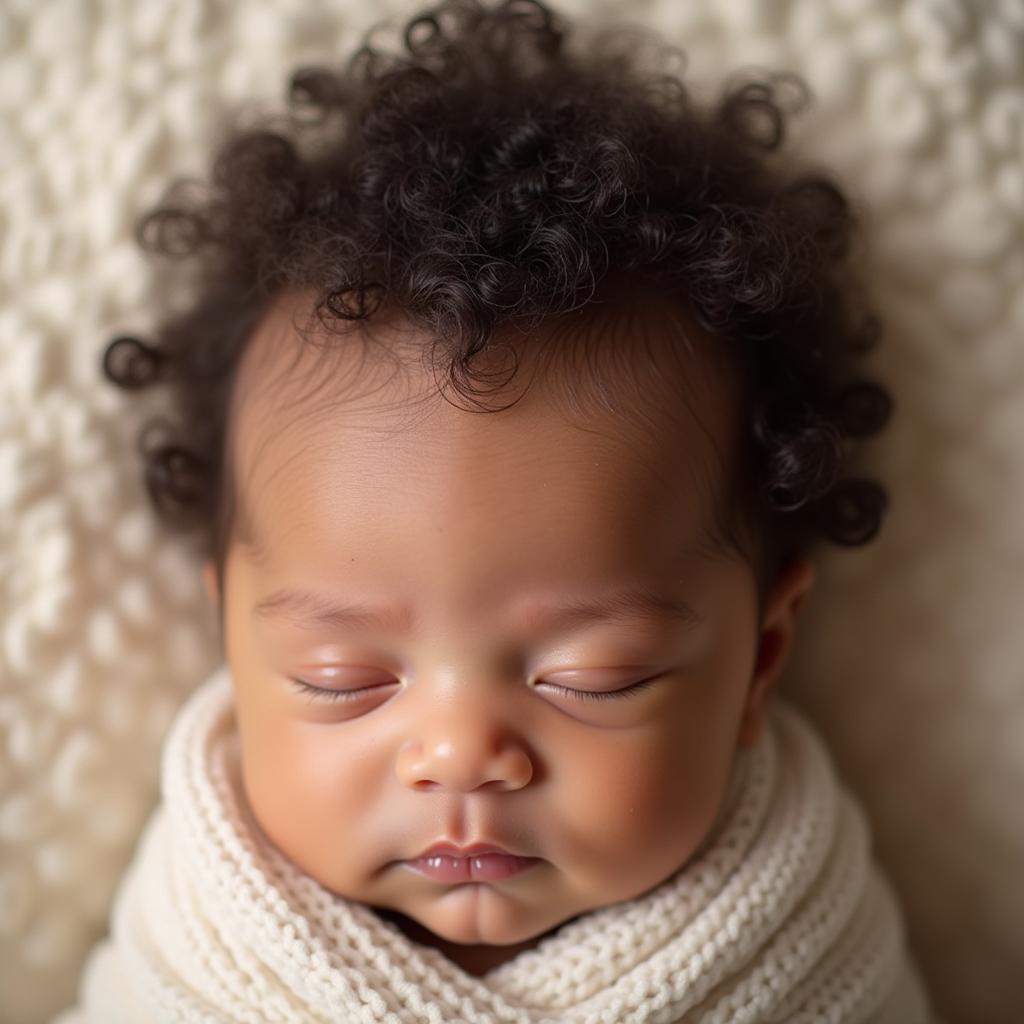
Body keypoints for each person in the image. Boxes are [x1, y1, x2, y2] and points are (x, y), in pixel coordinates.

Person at [60, 0, 937, 1019]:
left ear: (761, 658)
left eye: (592, 677)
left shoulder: (806, 935)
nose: (460, 750)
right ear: (232, 643)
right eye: (338, 678)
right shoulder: (200, 938)